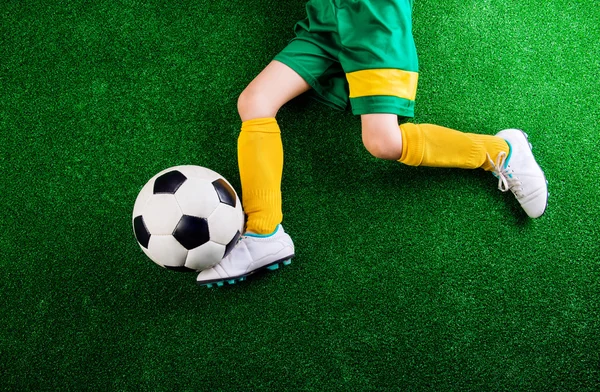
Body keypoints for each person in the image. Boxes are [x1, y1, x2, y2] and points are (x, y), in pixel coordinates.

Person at [196, 0, 548, 287]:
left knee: (382, 141)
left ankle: (499, 151)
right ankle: (263, 230)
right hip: (327, 19)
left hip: (375, 19)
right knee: (254, 102)